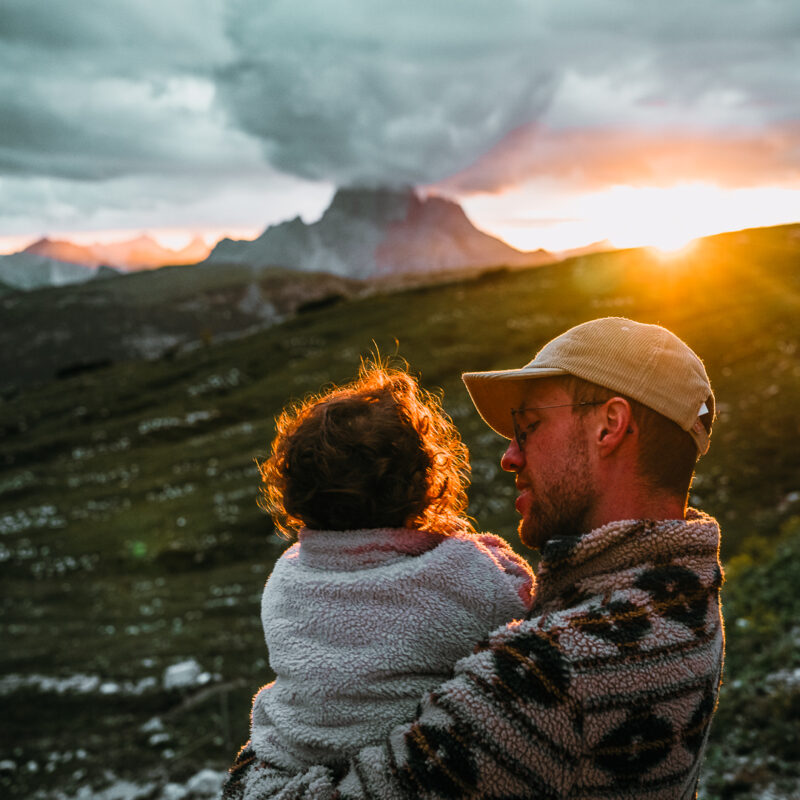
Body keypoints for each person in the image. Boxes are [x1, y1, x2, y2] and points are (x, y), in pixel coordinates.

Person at [222, 317, 724, 800]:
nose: (509, 455)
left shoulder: (556, 674)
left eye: (527, 427)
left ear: (609, 426)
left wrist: (271, 739)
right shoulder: (683, 592)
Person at [243, 360, 534, 774]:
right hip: (417, 760)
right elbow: (521, 608)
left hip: (302, 753)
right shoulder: (457, 569)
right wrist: (495, 557)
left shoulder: (286, 577)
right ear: (424, 484)